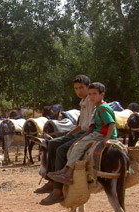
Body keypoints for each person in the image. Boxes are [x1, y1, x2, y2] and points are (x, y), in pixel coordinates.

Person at [35, 75, 95, 205]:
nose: (78, 91)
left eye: (81, 88)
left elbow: (90, 126)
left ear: (87, 87)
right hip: (80, 131)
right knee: (52, 143)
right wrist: (68, 134)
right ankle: (50, 181)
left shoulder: (92, 101)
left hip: (87, 133)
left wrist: (76, 137)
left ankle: (58, 191)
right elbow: (80, 125)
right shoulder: (83, 102)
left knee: (62, 150)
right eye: (76, 88)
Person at [48, 82, 117, 185]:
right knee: (75, 146)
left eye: (94, 94)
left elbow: (111, 123)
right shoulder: (98, 107)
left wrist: (107, 138)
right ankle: (66, 170)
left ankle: (69, 173)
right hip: (98, 133)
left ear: (102, 94)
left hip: (100, 134)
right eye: (90, 94)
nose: (91, 97)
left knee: (78, 146)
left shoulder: (103, 108)